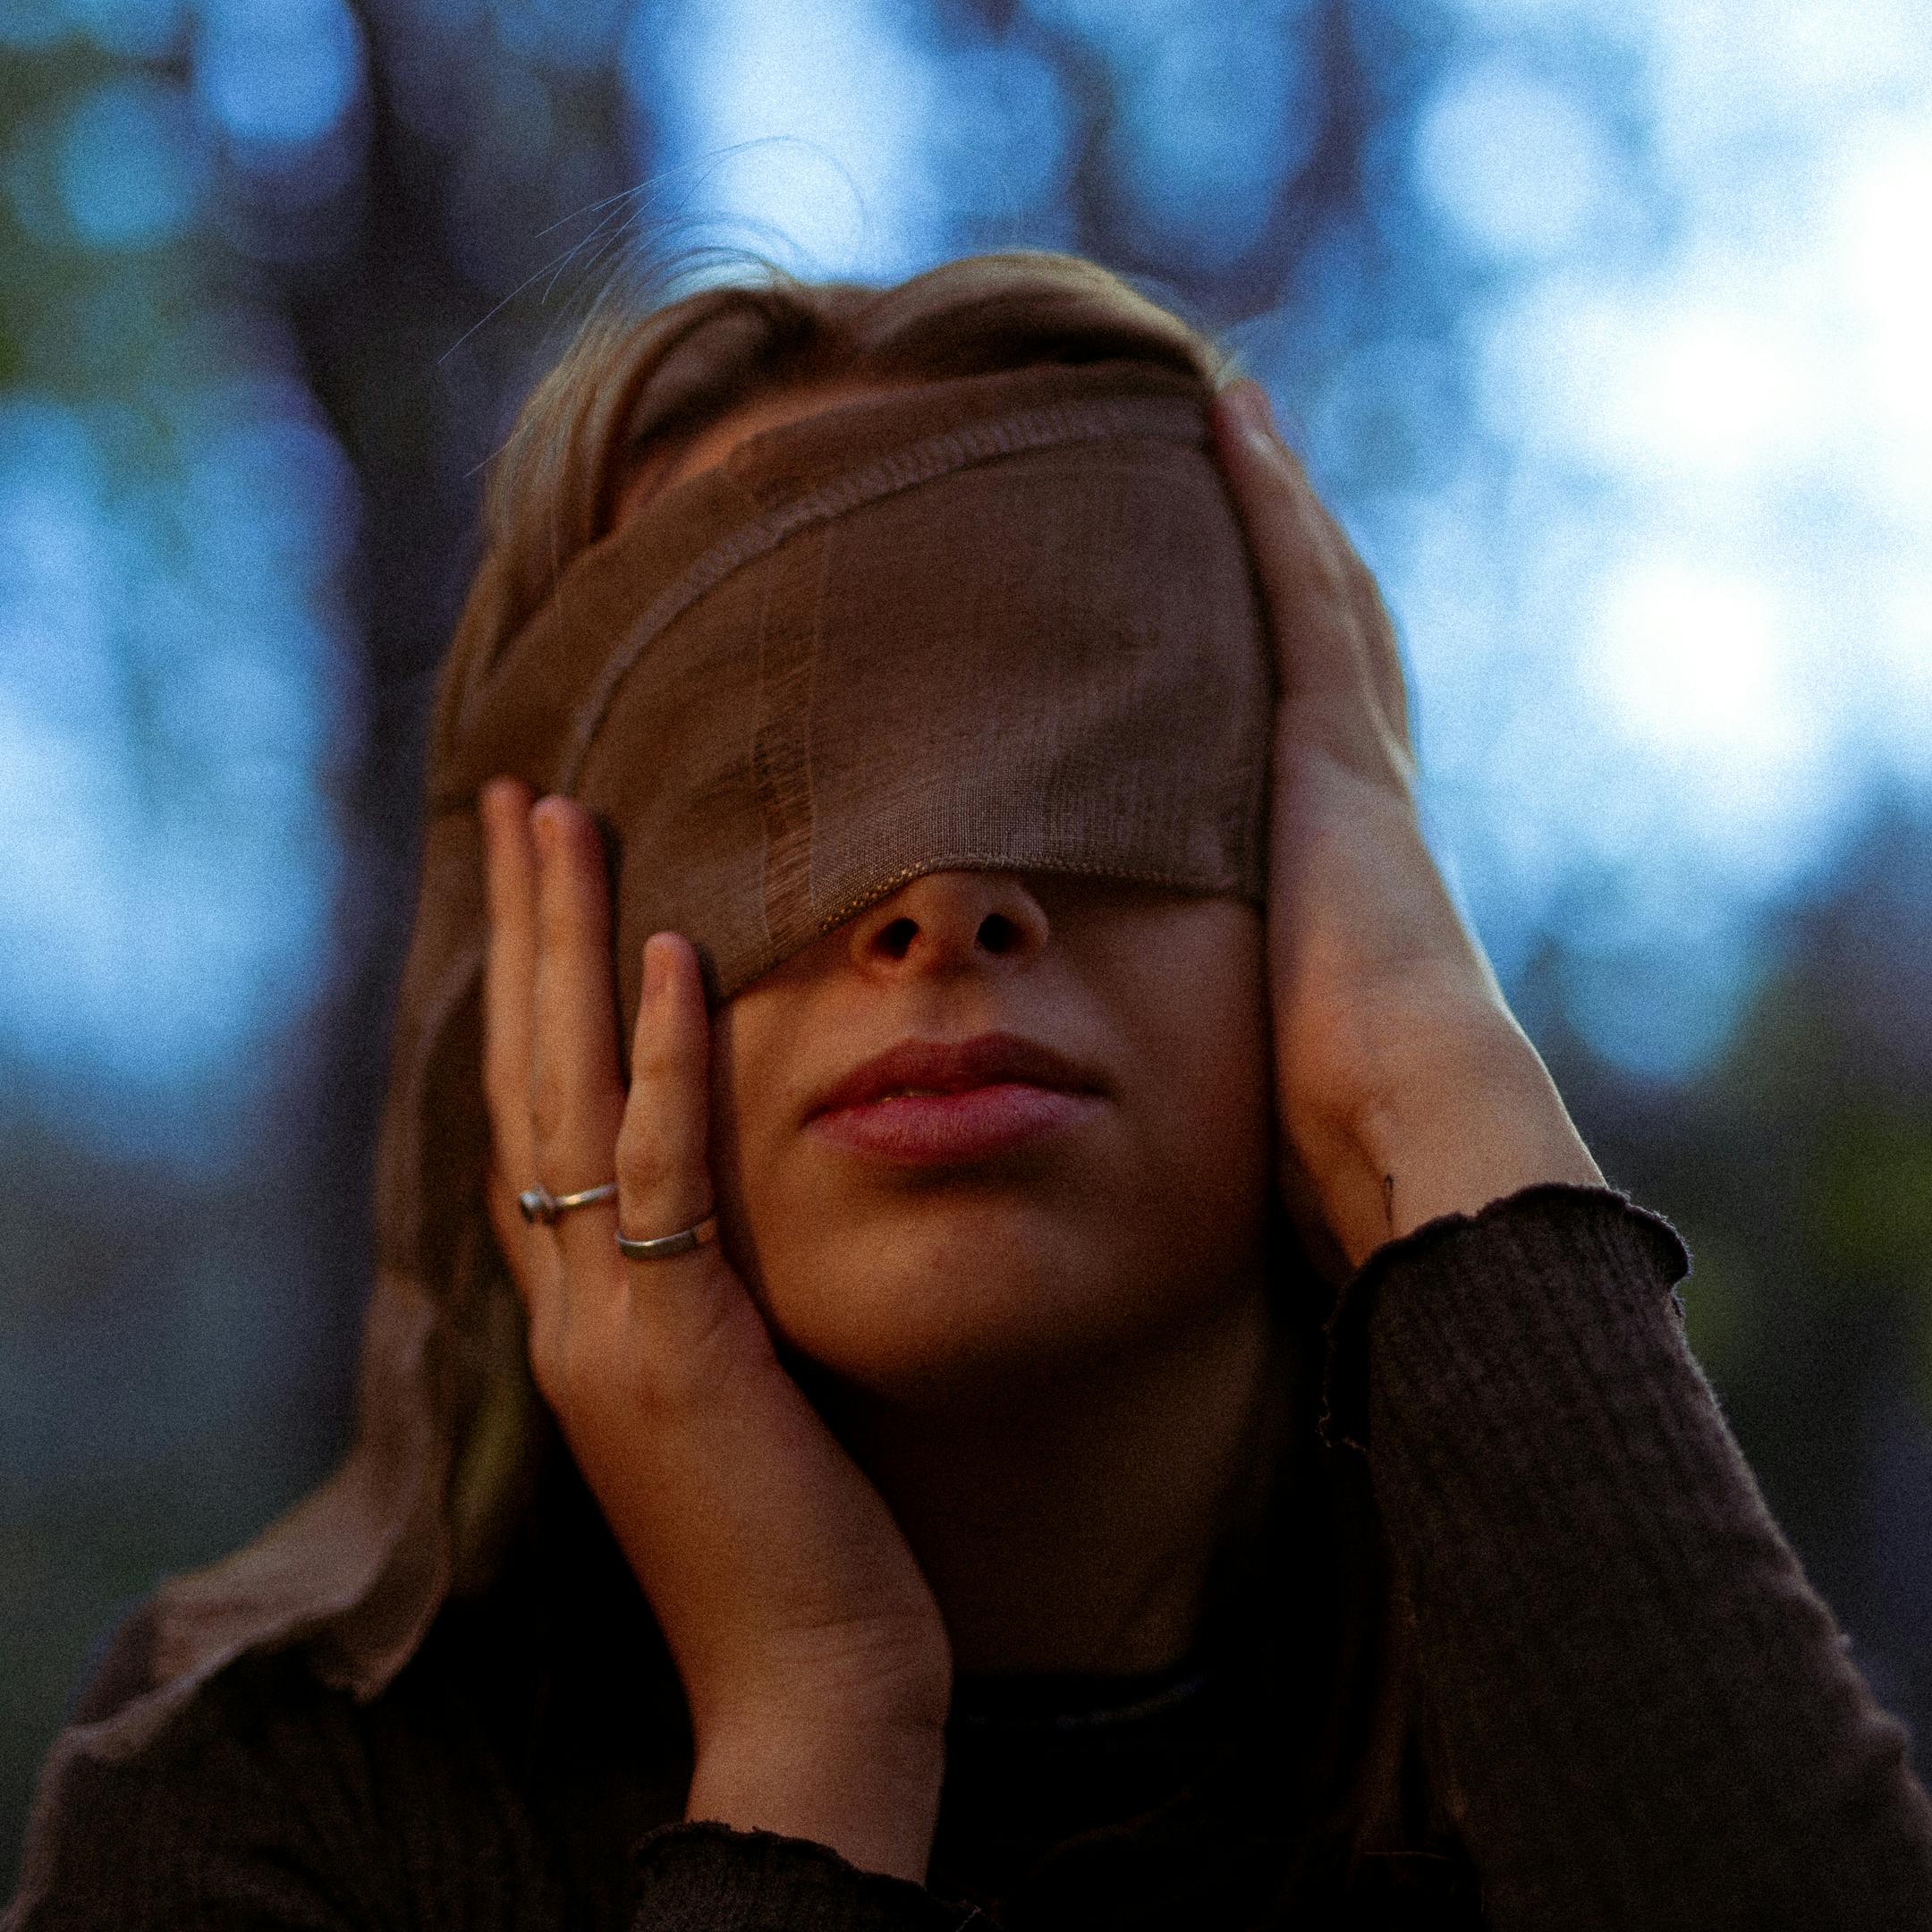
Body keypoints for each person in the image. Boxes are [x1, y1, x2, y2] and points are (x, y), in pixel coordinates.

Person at [9, 250, 1932, 1931]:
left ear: (1332, 868)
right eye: (771, 778)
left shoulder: (1624, 1734)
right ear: (540, 966)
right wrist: (813, 1731)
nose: (938, 898)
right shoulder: (253, 1823)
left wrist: (1434, 1109)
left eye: (1089, 726)